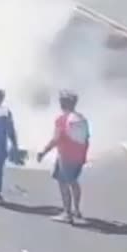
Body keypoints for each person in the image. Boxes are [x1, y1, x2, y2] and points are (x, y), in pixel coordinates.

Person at [37, 90, 91, 224]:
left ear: (63, 103)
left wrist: (43, 152)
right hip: (78, 156)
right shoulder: (81, 118)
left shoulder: (62, 119)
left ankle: (67, 213)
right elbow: (87, 138)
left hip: (66, 156)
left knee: (63, 182)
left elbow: (56, 139)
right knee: (73, 182)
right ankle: (76, 210)